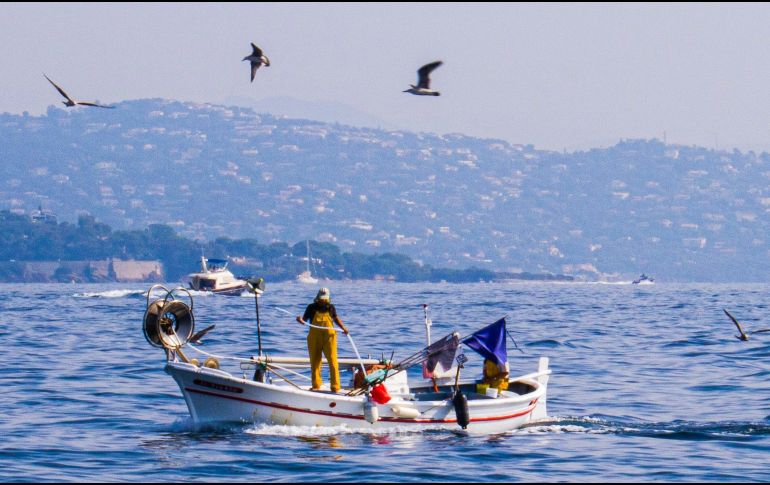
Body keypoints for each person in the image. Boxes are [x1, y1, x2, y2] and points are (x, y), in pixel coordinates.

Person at [296, 287, 349, 392]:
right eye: (321, 298)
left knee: (333, 361)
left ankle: (335, 386)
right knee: (315, 361)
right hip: (314, 337)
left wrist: (343, 328)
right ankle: (316, 385)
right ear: (317, 297)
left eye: (325, 298)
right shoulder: (311, 307)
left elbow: (335, 318)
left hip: (329, 337)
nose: (323, 300)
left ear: (328, 298)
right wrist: (300, 320)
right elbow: (304, 320)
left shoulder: (330, 307)